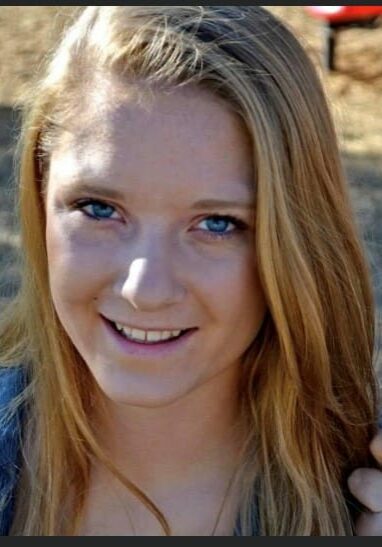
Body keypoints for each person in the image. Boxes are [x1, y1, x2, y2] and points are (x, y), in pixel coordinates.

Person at [0, 6, 381, 536]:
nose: (144, 290)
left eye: (218, 223)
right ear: (40, 199)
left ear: (298, 240)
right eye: (99, 208)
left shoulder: (358, 494)